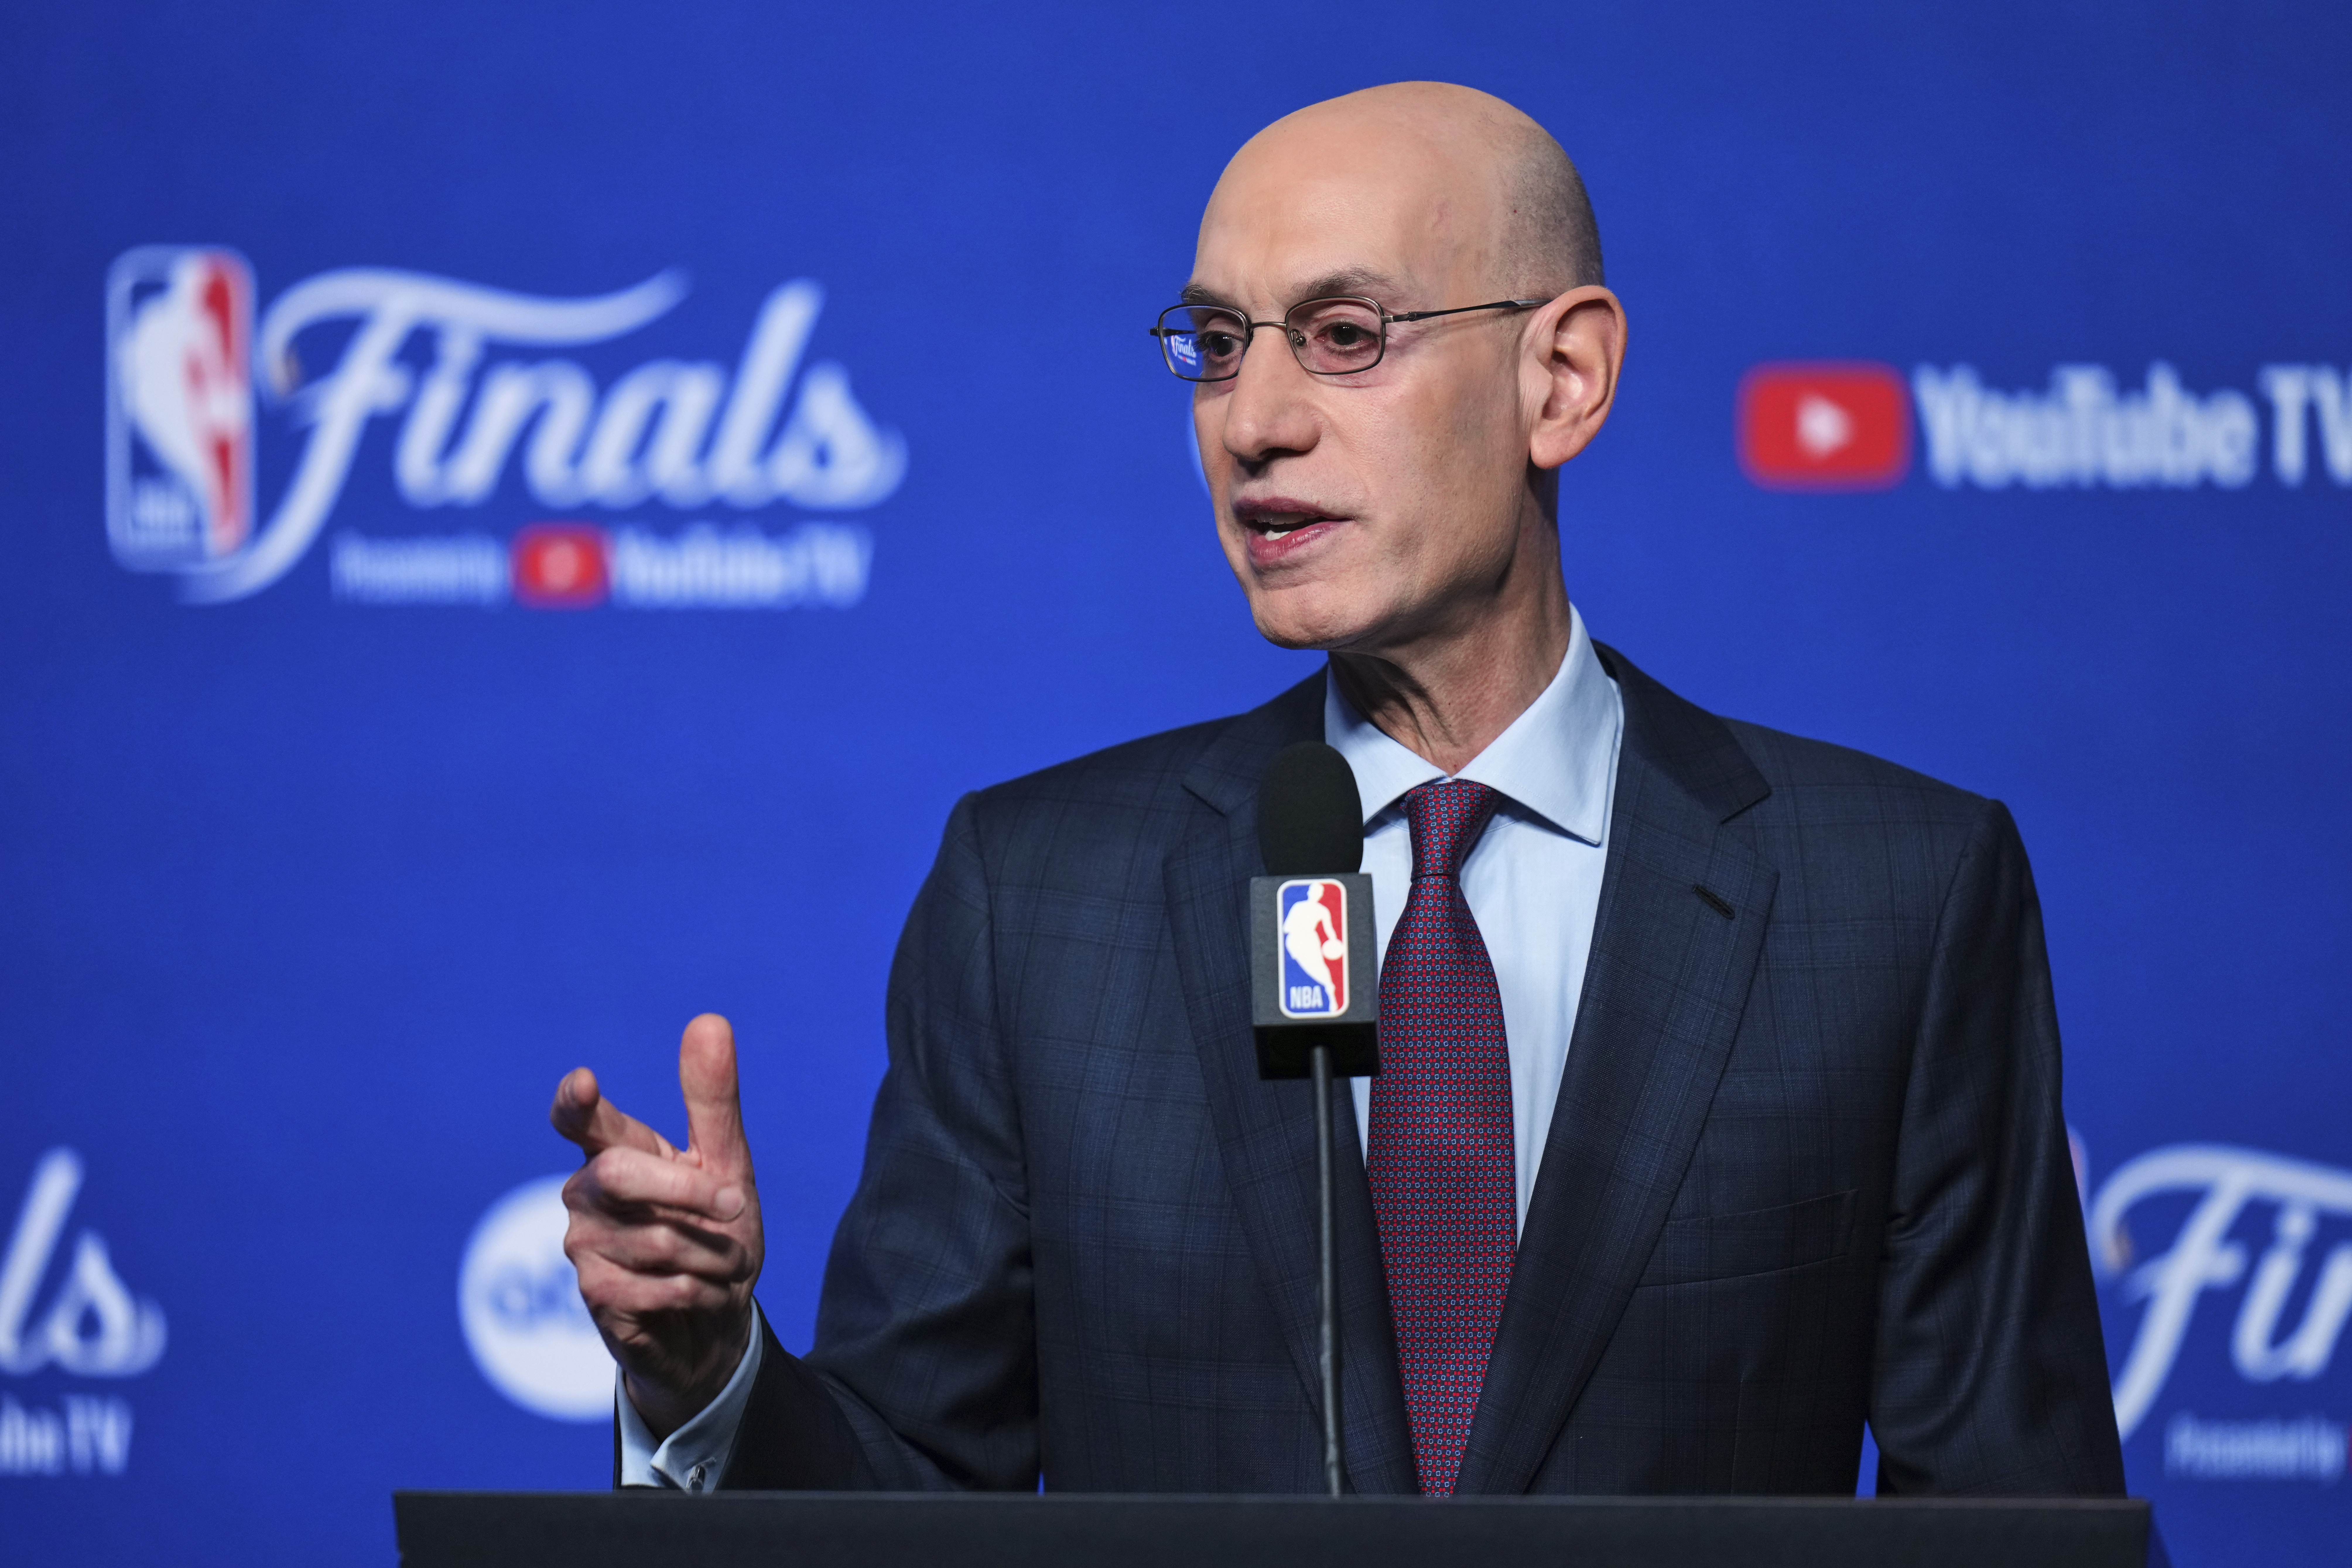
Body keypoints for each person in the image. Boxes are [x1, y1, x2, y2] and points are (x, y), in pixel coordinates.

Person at [550, 81, 2126, 1497]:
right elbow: (902, 1507)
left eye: (1345, 335)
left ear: (1561, 379)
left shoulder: (1895, 897)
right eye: (1216, 346)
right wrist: (708, 1382)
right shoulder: (1033, 899)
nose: (1254, 420)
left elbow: (2012, 1527)